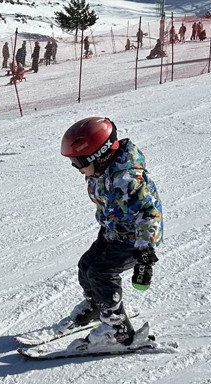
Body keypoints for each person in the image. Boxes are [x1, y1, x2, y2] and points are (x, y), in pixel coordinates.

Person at [56, 117, 163, 353]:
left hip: (135, 239)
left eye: (78, 161)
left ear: (99, 155)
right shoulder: (100, 170)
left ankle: (118, 331)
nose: (76, 168)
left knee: (101, 273)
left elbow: (150, 214)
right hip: (114, 231)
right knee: (86, 265)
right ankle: (97, 305)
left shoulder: (128, 180)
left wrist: (145, 257)